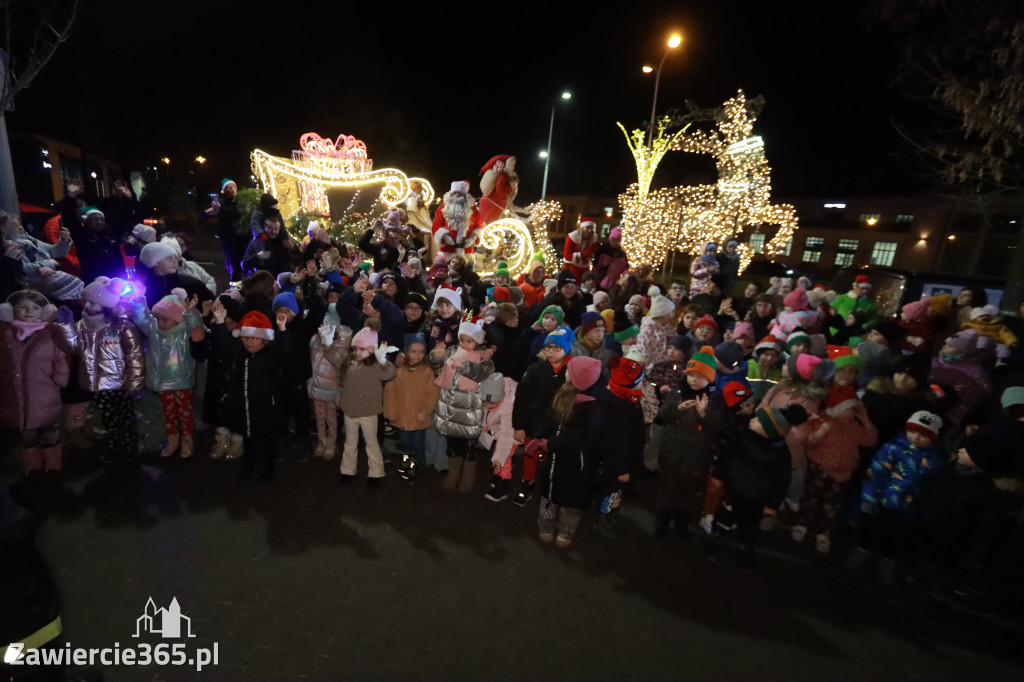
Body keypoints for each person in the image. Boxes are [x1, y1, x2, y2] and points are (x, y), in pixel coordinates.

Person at [707, 403, 809, 569]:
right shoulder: (742, 438)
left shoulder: (780, 452)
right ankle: (717, 538)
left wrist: (772, 504)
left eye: (758, 420)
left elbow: (780, 480)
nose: (752, 420)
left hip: (757, 498)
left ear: (770, 430)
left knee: (750, 524)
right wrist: (718, 476)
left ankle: (744, 547)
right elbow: (727, 457)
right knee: (725, 516)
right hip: (734, 491)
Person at [55, 276, 144, 465]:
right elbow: (73, 347)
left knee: (125, 418)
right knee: (109, 418)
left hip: (121, 384)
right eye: (87, 301)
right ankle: (114, 448)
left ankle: (129, 449)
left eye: (93, 303)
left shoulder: (123, 327)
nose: (87, 306)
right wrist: (65, 326)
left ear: (107, 305)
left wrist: (134, 382)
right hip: (98, 384)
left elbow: (135, 355)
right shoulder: (83, 326)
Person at [848, 411, 944, 586]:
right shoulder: (893, 448)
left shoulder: (935, 458)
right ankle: (861, 551)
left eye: (924, 435)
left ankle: (887, 562)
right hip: (883, 501)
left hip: (908, 508)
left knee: (894, 537)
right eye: (913, 431)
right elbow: (877, 473)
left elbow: (931, 485)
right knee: (869, 529)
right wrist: (869, 497)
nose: (916, 437)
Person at [524, 356, 604, 547]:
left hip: (578, 464)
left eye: (570, 371)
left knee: (571, 505)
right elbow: (549, 417)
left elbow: (577, 438)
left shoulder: (591, 409)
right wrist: (539, 436)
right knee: (548, 496)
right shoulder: (564, 392)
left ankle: (565, 532)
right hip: (555, 461)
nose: (566, 372)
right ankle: (545, 527)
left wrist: (548, 443)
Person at [793, 386, 878, 553]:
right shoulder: (822, 421)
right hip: (820, 469)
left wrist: (866, 420)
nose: (850, 414)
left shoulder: (855, 426)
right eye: (847, 409)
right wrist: (819, 434)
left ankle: (824, 533)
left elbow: (870, 441)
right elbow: (809, 442)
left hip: (842, 474)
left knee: (832, 505)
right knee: (810, 499)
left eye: (854, 411)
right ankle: (802, 524)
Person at [210, 306, 291, 482]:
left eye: (253, 338)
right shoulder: (241, 354)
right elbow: (224, 345)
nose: (249, 342)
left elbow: (285, 351)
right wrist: (219, 322)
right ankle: (248, 466)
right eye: (245, 338)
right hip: (244, 406)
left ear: (264, 339)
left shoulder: (270, 354)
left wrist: (282, 329)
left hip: (265, 406)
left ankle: (267, 469)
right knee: (249, 439)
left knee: (267, 440)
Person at [655, 346, 724, 540]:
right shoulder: (677, 392)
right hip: (672, 452)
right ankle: (662, 522)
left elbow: (718, 426)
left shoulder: (715, 399)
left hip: (697, 457)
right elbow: (663, 414)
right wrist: (678, 408)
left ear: (709, 378)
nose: (694, 380)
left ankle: (682, 524)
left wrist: (704, 414)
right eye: (691, 374)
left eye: (700, 376)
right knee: (667, 488)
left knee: (689, 492)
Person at [126, 289, 203, 458]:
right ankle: (172, 438)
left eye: (165, 319)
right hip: (161, 380)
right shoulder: (154, 329)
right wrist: (138, 303)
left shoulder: (184, 332)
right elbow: (143, 319)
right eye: (158, 318)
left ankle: (187, 438)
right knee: (168, 412)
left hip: (180, 379)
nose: (160, 322)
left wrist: (190, 313)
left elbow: (197, 327)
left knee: (184, 410)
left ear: (178, 319)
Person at [0, 290, 68, 474]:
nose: (29, 311)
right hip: (15, 394)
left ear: (44, 311)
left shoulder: (50, 333)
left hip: (45, 393)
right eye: (23, 306)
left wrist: (60, 378)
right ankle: (33, 465)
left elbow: (60, 357)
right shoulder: (5, 333)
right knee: (27, 433)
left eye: (35, 307)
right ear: (10, 309)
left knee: (50, 431)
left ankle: (53, 464)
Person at [512, 327, 574, 506]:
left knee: (554, 458)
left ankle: (550, 489)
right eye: (548, 347)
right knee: (530, 456)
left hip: (557, 427)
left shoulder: (571, 373)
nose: (551, 352)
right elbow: (521, 398)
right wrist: (518, 425)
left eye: (557, 348)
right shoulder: (535, 369)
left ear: (566, 349)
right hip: (533, 423)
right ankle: (527, 483)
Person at [430, 321, 494, 492]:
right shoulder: (451, 352)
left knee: (469, 448)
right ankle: (454, 472)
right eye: (462, 340)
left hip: (469, 413)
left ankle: (468, 475)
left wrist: (465, 366)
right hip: (450, 410)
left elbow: (481, 374)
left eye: (470, 341)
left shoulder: (484, 359)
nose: (465, 344)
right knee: (452, 445)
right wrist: (435, 357)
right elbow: (437, 368)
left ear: (478, 343)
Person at [337, 325, 398, 487]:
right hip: (349, 412)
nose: (357, 352)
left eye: (362, 349)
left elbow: (390, 373)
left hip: (369, 413)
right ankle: (347, 470)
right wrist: (329, 344)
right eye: (356, 348)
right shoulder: (349, 362)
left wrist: (383, 360)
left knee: (371, 443)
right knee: (350, 442)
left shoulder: (377, 365)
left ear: (371, 350)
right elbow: (337, 365)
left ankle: (376, 473)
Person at [594, 354, 647, 538]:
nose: (643, 384)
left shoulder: (624, 397)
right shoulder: (618, 407)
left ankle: (605, 510)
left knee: (610, 488)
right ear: (630, 383)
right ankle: (605, 517)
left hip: (618, 461)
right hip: (617, 464)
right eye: (640, 380)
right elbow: (618, 442)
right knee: (612, 491)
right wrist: (623, 469)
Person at [386, 333, 439, 481]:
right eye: (414, 351)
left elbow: (433, 393)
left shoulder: (427, 371)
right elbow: (390, 391)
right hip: (401, 415)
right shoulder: (399, 370)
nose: (418, 355)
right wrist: (390, 411)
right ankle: (407, 464)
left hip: (418, 416)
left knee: (417, 443)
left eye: (421, 351)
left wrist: (426, 411)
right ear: (406, 351)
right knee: (405, 443)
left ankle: (418, 465)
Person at [0, 211, 82, 303]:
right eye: (14, 225)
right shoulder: (10, 247)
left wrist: (64, 240)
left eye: (19, 224)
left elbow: (54, 251)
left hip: (49, 284)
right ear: (3, 229)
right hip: (34, 289)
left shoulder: (30, 239)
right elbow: (23, 269)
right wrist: (49, 263)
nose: (20, 227)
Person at [308, 321, 352, 460]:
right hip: (317, 388)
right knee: (319, 416)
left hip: (332, 390)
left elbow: (339, 363)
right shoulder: (315, 342)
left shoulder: (341, 348)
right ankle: (322, 440)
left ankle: (332, 443)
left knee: (331, 418)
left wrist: (329, 344)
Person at [477, 372, 520, 502]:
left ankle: (502, 488)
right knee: (498, 451)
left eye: (492, 403)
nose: (488, 406)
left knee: (505, 458)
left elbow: (507, 436)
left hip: (513, 433)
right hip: (500, 428)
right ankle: (498, 475)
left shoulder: (509, 407)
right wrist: (485, 423)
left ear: (501, 397)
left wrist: (499, 458)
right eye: (484, 402)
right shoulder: (490, 392)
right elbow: (486, 410)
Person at [205, 178, 247, 284]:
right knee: (233, 261)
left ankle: (241, 282)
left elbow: (238, 214)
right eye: (228, 187)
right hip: (228, 238)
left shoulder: (242, 201)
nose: (232, 189)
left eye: (233, 186)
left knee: (243, 260)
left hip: (242, 236)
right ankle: (235, 283)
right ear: (224, 190)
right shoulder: (221, 203)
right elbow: (204, 215)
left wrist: (221, 209)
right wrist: (209, 212)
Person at [432, 180, 483, 257]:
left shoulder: (474, 211)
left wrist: (470, 240)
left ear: (466, 195)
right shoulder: (442, 209)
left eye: (460, 194)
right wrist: (446, 238)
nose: (457, 196)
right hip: (446, 251)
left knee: (466, 268)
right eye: (454, 193)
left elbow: (479, 227)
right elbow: (436, 226)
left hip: (467, 252)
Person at [478, 155, 518, 225]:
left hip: (491, 204)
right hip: (492, 206)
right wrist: (510, 187)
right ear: (506, 165)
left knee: (486, 226)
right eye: (512, 164)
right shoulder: (503, 176)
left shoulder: (503, 176)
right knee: (488, 226)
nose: (514, 167)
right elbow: (500, 191)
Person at [562, 217, 598, 282]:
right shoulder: (572, 237)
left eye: (591, 228)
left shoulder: (593, 238)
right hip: (571, 268)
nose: (590, 230)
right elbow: (567, 256)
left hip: (584, 269)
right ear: (582, 228)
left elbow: (593, 252)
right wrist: (582, 254)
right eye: (587, 228)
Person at [594, 226, 630, 290]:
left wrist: (627, 275)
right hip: (599, 283)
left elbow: (625, 268)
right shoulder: (602, 250)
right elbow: (595, 266)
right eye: (613, 240)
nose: (615, 242)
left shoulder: (622, 254)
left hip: (613, 285)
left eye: (618, 240)